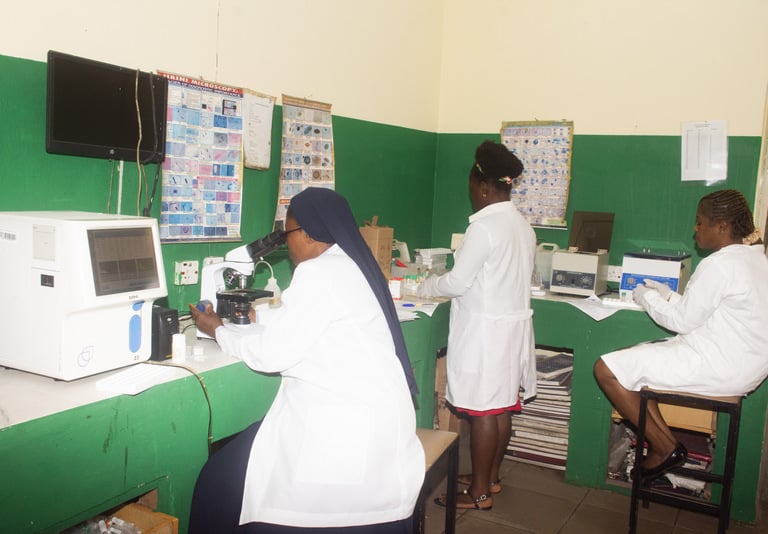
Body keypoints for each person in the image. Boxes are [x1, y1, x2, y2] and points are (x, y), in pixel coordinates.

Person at [187, 187, 425, 533]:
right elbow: (320, 322)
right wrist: (260, 319)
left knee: (217, 481)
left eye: (287, 234)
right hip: (384, 427)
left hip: (343, 436)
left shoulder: (318, 273)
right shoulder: (351, 264)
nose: (285, 245)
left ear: (310, 233)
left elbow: (271, 355)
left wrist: (217, 329)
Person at [594, 189, 768, 480]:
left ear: (722, 226)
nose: (695, 229)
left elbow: (682, 322)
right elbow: (707, 311)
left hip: (721, 367)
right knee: (633, 362)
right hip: (742, 364)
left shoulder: (721, 264)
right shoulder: (755, 259)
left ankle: (664, 447)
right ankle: (668, 445)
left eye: (700, 222)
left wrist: (646, 297)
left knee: (606, 369)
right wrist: (669, 295)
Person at [417, 140, 537, 510]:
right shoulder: (521, 225)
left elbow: (456, 282)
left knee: (485, 411)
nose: (472, 196)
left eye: (473, 188)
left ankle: (479, 492)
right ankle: (491, 478)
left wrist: (425, 286)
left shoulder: (483, 229)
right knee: (501, 407)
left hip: (487, 333)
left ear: (484, 187)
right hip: (511, 330)